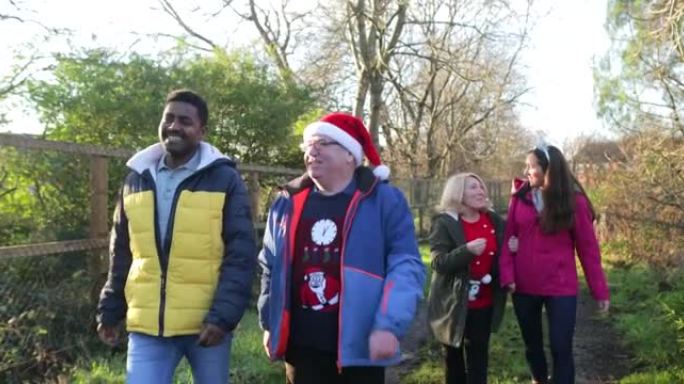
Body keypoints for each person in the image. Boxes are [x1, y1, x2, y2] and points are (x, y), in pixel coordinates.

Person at [96, 89, 257, 384]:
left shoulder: (225, 179)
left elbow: (241, 253)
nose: (174, 126)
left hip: (206, 326)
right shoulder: (136, 178)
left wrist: (223, 316)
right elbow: (121, 251)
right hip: (148, 326)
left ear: (201, 130)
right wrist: (110, 309)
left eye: (185, 121)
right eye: (169, 118)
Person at [257, 112, 426, 384]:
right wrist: (269, 323)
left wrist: (389, 325)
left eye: (323, 142)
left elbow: (406, 265)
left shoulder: (384, 201)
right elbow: (269, 264)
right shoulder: (287, 202)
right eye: (308, 144)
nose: (312, 150)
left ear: (351, 155)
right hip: (300, 349)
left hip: (359, 349)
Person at [499, 144, 610, 384]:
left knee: (561, 347)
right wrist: (507, 276)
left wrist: (599, 291)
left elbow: (588, 251)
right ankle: (538, 379)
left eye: (532, 166)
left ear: (548, 169)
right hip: (524, 286)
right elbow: (509, 238)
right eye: (526, 166)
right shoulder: (519, 198)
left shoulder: (575, 202)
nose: (527, 171)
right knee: (533, 346)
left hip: (561, 287)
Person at [427, 172, 508, 384]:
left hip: (485, 301)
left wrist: (512, 248)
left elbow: (504, 254)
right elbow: (438, 263)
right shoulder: (444, 222)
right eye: (473, 187)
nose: (480, 191)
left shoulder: (494, 220)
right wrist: (467, 251)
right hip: (452, 304)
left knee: (479, 358)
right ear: (457, 193)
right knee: (454, 360)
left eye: (481, 187)